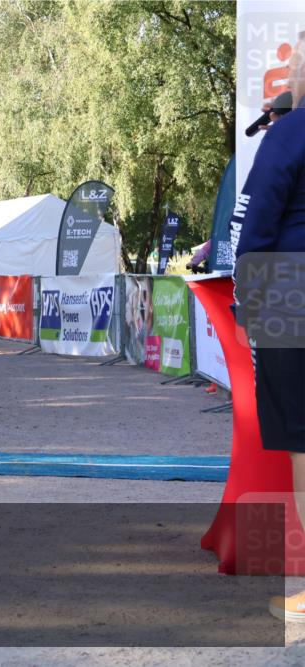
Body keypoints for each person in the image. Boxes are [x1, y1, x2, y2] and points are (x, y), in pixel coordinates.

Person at [232, 33, 305, 623]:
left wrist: (247, 304)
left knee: (304, 443)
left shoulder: (288, 135)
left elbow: (256, 228)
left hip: (292, 295)